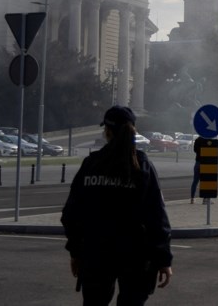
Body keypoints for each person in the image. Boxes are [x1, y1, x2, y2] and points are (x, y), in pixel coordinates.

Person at [62, 106, 174, 306]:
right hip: (136, 256)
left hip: (96, 253)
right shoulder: (142, 166)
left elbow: (72, 214)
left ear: (107, 131)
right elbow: (157, 216)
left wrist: (76, 252)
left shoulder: (91, 164)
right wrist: (163, 259)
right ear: (133, 130)